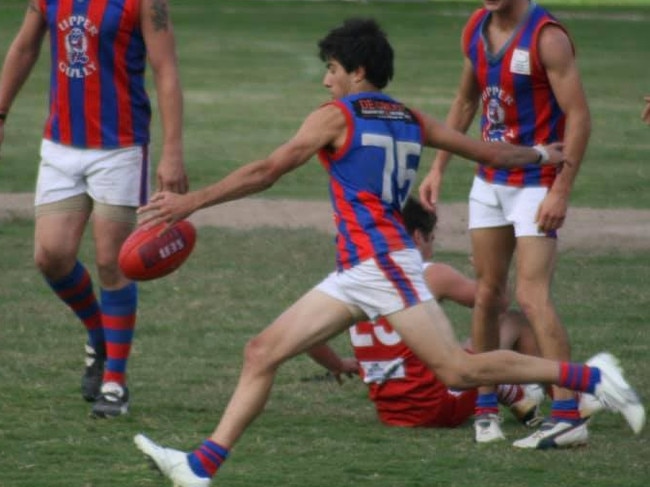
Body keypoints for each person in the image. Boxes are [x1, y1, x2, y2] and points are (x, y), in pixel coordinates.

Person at [132, 18, 643, 487]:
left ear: (357, 71)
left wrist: (191, 202)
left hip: (380, 264)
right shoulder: (408, 117)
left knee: (458, 371)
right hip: (362, 268)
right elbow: (491, 153)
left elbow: (269, 170)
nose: (326, 81)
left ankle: (591, 378)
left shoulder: (336, 116)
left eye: (331, 69)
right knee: (261, 351)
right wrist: (537, 154)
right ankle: (199, 468)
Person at [0, 0, 188, 418]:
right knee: (51, 256)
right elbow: (24, 47)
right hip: (61, 144)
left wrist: (172, 151)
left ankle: (115, 384)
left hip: (120, 148)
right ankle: (100, 332)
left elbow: (166, 70)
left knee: (112, 262)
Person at [418, 0, 592, 448]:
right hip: (489, 181)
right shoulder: (476, 26)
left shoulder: (547, 37)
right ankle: (485, 408)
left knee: (531, 296)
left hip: (535, 182)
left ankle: (569, 414)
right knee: (487, 294)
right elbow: (465, 100)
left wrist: (561, 189)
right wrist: (438, 168)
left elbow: (578, 116)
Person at [307, 196, 546, 429]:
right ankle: (549, 392)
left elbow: (310, 338)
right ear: (418, 236)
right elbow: (498, 303)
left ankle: (513, 389)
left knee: (462, 348)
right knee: (514, 320)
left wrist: (337, 364)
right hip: (439, 407)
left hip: (389, 413)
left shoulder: (353, 277)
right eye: (431, 238)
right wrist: (490, 272)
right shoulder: (431, 274)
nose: (432, 246)